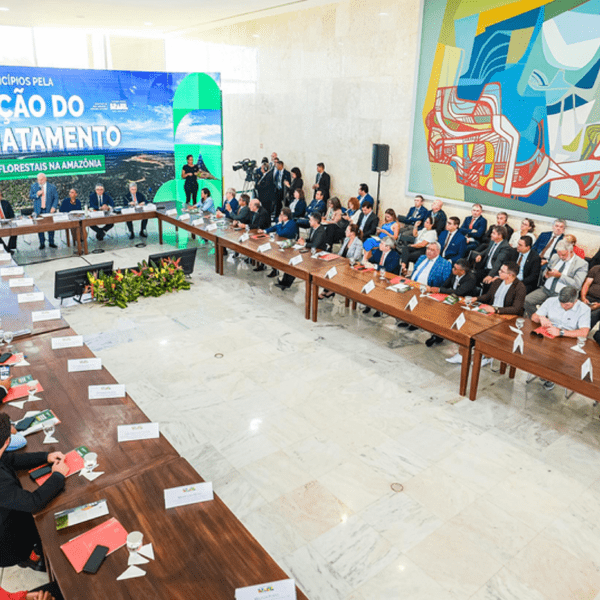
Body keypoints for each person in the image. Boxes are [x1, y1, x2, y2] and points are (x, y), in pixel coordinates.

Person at [0, 413, 68, 570]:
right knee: (47, 522)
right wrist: (58, 476)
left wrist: (46, 457)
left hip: (7, 510)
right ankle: (32, 559)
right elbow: (33, 502)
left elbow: (11, 460)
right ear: (8, 441)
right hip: (7, 543)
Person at [532, 286, 591, 390]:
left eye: (567, 304)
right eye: (561, 303)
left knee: (558, 357)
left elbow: (584, 332)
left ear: (575, 301)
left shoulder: (584, 309)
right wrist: (541, 317)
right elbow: (534, 317)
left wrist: (561, 332)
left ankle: (551, 377)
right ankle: (542, 371)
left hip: (568, 338)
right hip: (549, 334)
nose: (563, 306)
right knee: (534, 349)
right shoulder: (551, 301)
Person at [524, 240, 588, 316]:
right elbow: (546, 270)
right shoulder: (555, 256)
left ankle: (545, 320)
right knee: (527, 301)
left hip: (562, 295)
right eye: (559, 254)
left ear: (571, 251)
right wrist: (546, 274)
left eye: (563, 255)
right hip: (546, 289)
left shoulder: (581, 264)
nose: (561, 257)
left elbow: (577, 284)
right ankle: (538, 319)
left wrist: (560, 276)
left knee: (553, 312)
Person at [397, 242, 452, 329]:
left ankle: (416, 322)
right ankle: (407, 319)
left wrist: (433, 289)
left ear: (438, 251)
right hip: (413, 284)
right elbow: (415, 270)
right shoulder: (422, 257)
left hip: (428, 289)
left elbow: (445, 282)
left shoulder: (445, 264)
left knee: (419, 302)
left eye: (432, 250)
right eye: (428, 249)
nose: (429, 251)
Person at [424, 259, 477, 347]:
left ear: (462, 271)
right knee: (439, 310)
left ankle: (442, 335)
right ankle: (437, 335)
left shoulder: (471, 279)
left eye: (455, 269)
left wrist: (440, 290)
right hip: (452, 299)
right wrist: (438, 290)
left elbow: (459, 292)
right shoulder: (454, 273)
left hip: (464, 305)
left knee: (447, 315)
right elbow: (445, 285)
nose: (453, 269)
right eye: (453, 267)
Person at [276, 212, 326, 290]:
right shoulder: (313, 228)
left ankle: (286, 283)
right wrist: (303, 240)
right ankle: (284, 282)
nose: (309, 221)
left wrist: (304, 243)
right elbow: (311, 240)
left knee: (297, 264)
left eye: (310, 220)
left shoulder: (321, 231)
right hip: (310, 252)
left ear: (316, 221)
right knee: (293, 260)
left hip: (317, 256)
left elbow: (315, 244)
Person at [262, 207, 299, 278]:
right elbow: (274, 228)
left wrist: (279, 222)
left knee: (274, 252)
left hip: (289, 245)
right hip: (281, 242)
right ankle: (274, 269)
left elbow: (280, 233)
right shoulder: (283, 222)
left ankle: (276, 270)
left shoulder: (291, 223)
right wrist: (264, 231)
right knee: (271, 251)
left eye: (281, 215)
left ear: (286, 216)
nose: (280, 216)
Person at [29, 173, 59, 250]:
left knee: (50, 226)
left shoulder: (52, 187)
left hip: (48, 210)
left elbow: (56, 198)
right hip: (38, 210)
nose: (40, 181)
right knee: (40, 227)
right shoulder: (34, 186)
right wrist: (36, 194)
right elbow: (30, 196)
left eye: (41, 180)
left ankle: (51, 242)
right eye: (38, 180)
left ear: (45, 179)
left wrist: (54, 207)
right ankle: (42, 243)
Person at [580, 264, 600, 333]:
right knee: (576, 306)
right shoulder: (596, 268)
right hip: (589, 297)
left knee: (594, 314)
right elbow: (586, 284)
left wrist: (598, 305)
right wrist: (583, 298)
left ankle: (582, 332)